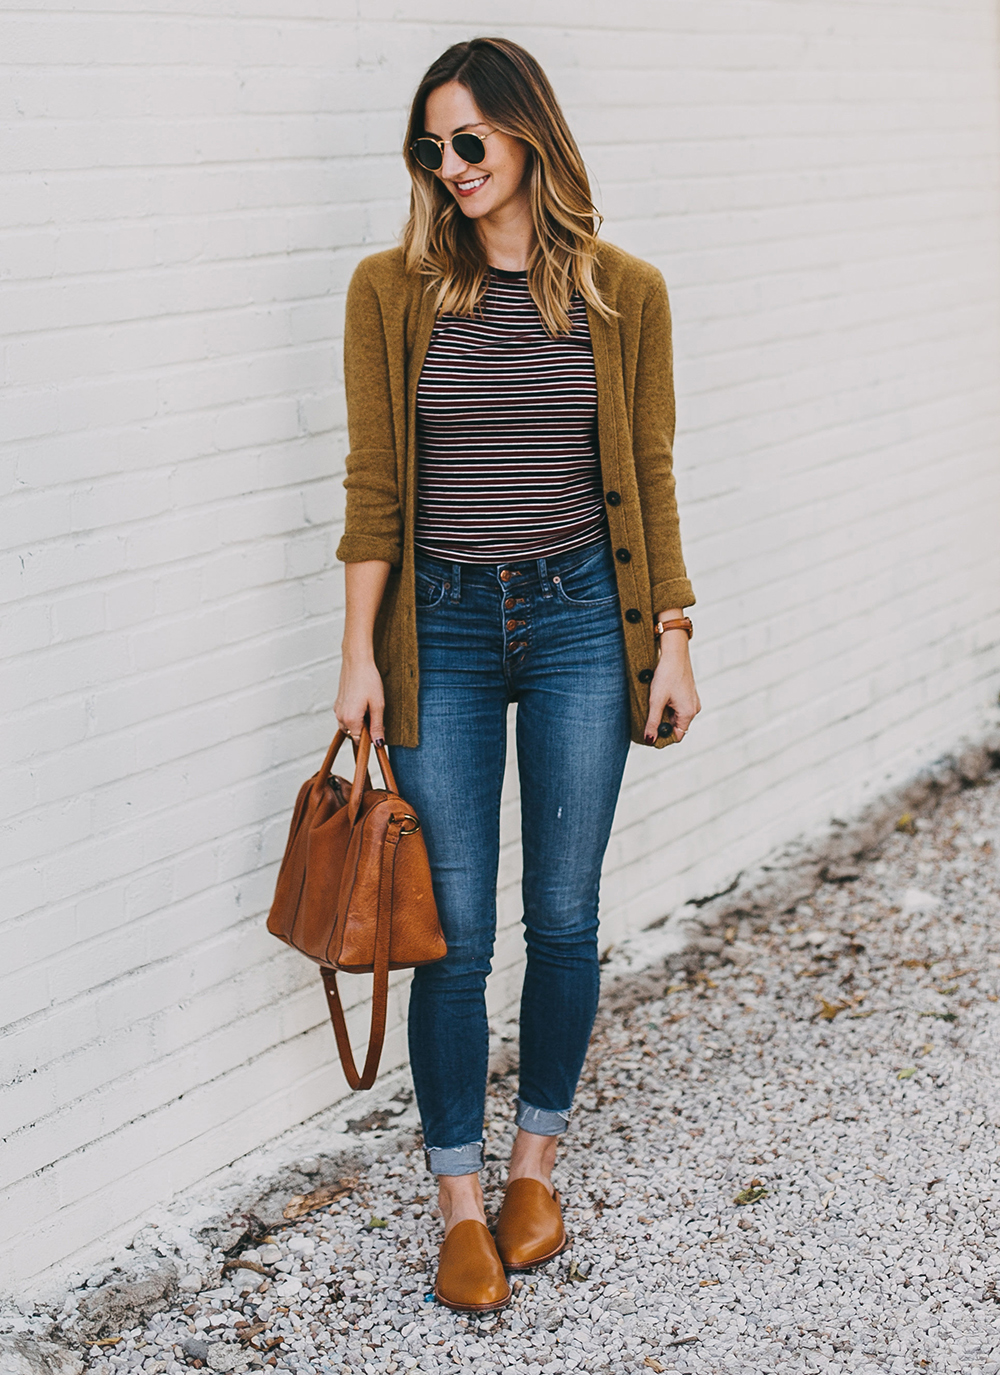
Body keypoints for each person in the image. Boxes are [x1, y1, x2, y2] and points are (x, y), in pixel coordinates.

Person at [333, 36, 700, 1313]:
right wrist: (357, 661)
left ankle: (535, 1161)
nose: (450, 169)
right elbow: (374, 491)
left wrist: (674, 637)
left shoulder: (623, 293)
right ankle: (458, 1202)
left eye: (469, 143)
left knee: (563, 912)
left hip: (582, 624)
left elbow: (646, 478)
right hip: (438, 627)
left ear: (528, 137)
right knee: (456, 934)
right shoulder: (391, 292)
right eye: (430, 150)